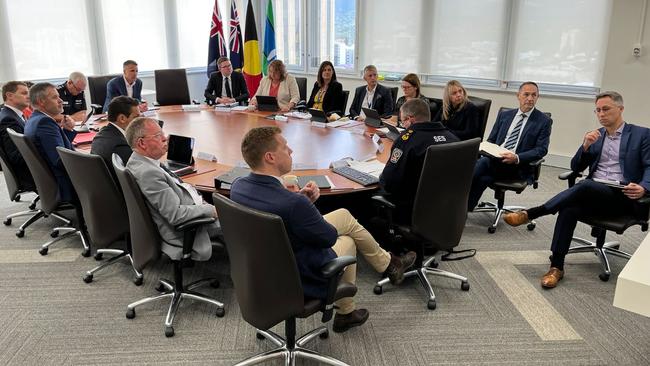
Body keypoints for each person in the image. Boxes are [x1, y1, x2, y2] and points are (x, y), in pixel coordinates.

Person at [230, 126, 416, 333]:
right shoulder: (293, 204)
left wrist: (301, 201)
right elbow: (327, 238)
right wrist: (305, 206)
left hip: (260, 271)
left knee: (344, 215)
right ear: (270, 157)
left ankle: (388, 265)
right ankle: (348, 311)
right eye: (285, 147)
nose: (291, 151)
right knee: (348, 240)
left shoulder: (238, 186)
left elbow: (275, 207)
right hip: (296, 275)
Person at [503, 91, 650, 288]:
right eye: (597, 110)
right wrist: (586, 146)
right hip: (593, 194)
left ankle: (533, 213)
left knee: (586, 185)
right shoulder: (596, 136)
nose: (601, 114)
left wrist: (643, 187)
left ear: (620, 109)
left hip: (623, 196)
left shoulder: (641, 134)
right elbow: (575, 167)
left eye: (606, 109)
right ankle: (556, 267)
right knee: (568, 209)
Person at [124, 117, 220, 261]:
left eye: (162, 133)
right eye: (158, 136)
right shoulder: (149, 173)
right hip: (186, 227)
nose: (165, 138)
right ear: (141, 143)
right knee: (243, 221)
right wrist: (212, 210)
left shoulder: (138, 161)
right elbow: (175, 215)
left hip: (190, 207)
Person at [467, 81, 552, 211]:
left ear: (537, 97)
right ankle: (464, 210)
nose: (530, 98)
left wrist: (516, 157)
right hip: (496, 159)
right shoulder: (505, 115)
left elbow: (541, 149)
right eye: (526, 94)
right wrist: (487, 149)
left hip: (518, 165)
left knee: (482, 164)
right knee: (484, 177)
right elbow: (491, 140)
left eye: (534, 95)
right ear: (518, 95)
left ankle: (454, 197)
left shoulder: (543, 121)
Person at [380, 98, 459, 222]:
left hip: (411, 208)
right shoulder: (453, 139)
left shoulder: (407, 140)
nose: (403, 126)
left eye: (402, 121)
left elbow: (390, 182)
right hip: (446, 207)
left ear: (410, 119)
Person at [24, 82, 77, 202]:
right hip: (64, 183)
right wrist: (88, 160)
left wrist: (67, 131)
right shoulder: (45, 123)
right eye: (54, 97)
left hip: (49, 179)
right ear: (41, 101)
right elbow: (59, 160)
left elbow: (55, 148)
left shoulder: (34, 119)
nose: (60, 100)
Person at [0, 81, 35, 190]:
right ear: (9, 96)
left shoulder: (12, 115)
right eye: (24, 93)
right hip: (29, 174)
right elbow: (16, 156)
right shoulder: (9, 119)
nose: (28, 96)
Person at [91, 96, 140, 169]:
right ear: (122, 118)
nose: (139, 121)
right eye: (136, 117)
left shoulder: (99, 136)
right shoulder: (121, 146)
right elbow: (140, 169)